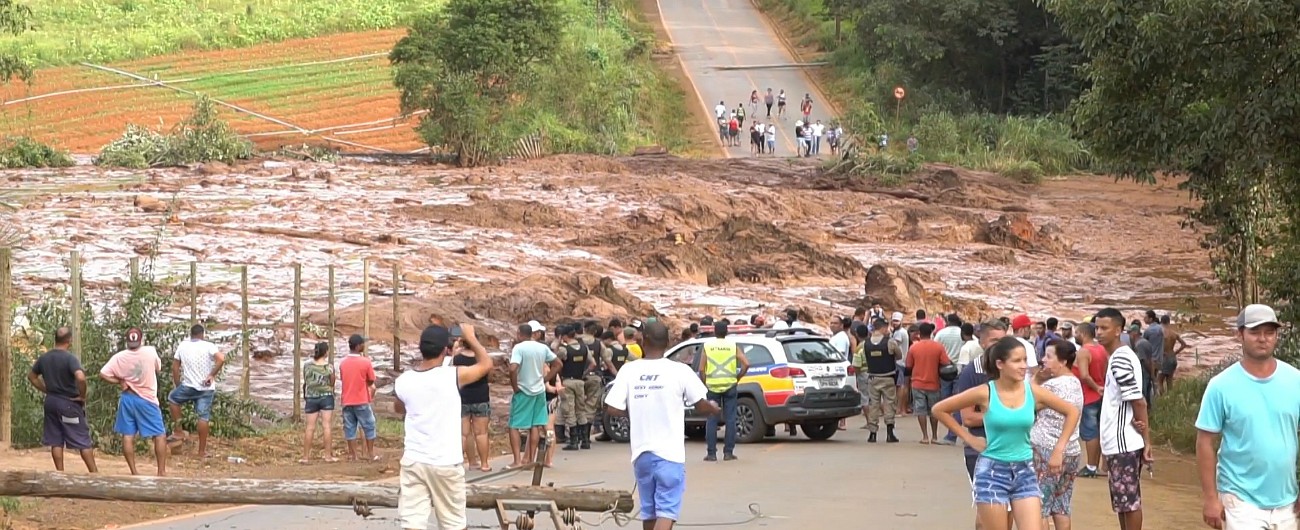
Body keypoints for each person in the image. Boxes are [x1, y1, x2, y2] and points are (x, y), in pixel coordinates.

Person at [932, 336, 1081, 530]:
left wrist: (1059, 449)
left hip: (1026, 470)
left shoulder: (1033, 392)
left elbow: (1072, 411)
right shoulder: (985, 392)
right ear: (1000, 364)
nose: (1024, 366)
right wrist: (969, 438)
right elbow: (939, 410)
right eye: (1017, 361)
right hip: (992, 471)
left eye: (1025, 360)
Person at [605, 321, 720, 530]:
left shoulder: (629, 371)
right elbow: (701, 404)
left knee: (649, 511)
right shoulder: (680, 371)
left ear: (643, 340)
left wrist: (635, 411)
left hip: (641, 455)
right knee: (667, 511)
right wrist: (713, 408)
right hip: (670, 455)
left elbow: (611, 407)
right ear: (668, 342)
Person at [1196, 304, 1299, 530]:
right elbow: (1205, 442)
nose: (1262, 339)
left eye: (1269, 332)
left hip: (1286, 500)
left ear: (1276, 336)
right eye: (1254, 332)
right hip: (1239, 500)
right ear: (1240, 334)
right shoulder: (1221, 386)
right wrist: (1211, 499)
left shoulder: (1295, 380)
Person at [394, 324, 493, 530]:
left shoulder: (404, 381)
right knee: (453, 523)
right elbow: (486, 364)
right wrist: (471, 338)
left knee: (412, 522)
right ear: (445, 349)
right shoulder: (453, 376)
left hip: (414, 460)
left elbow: (399, 407)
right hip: (445, 462)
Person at [1095, 307, 1152, 530]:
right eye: (1097, 328)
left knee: (1128, 502)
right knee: (1122, 503)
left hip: (1123, 442)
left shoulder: (1120, 359)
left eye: (1104, 328)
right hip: (1118, 442)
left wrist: (1147, 440)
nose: (1099, 332)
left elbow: (1139, 401)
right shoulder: (1119, 356)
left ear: (1118, 330)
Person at [27, 326, 97, 472]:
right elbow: (81, 378)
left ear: (55, 339)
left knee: (55, 440)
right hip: (69, 403)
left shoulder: (44, 358)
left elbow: (32, 376)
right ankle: (94, 474)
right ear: (69, 340)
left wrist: (45, 389)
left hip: (51, 402)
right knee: (82, 440)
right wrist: (82, 396)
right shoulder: (70, 358)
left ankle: (60, 473)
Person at [99, 327, 167, 476]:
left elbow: (103, 373)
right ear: (141, 339)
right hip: (147, 399)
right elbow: (158, 368)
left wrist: (119, 381)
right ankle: (161, 471)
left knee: (128, 435)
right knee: (159, 435)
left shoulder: (119, 357)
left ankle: (134, 472)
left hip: (127, 398)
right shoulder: (150, 351)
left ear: (127, 340)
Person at [1032, 340, 1083, 530]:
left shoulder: (1051, 386)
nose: (1043, 360)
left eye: (1048, 356)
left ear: (1062, 362)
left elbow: (1028, 404)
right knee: (1061, 506)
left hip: (1047, 449)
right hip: (1071, 451)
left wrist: (1036, 379)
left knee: (1039, 507)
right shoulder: (1075, 382)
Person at [167, 324, 225, 459]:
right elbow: (221, 359)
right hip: (206, 388)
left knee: (173, 399)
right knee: (203, 417)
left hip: (188, 386)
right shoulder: (209, 346)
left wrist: (177, 384)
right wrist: (211, 375)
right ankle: (201, 452)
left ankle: (178, 431)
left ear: (190, 334)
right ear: (202, 334)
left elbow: (175, 368)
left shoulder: (183, 346)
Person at [509, 322, 562, 468]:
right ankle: (532, 459)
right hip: (539, 391)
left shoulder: (519, 348)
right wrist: (544, 379)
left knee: (514, 426)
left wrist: (515, 386)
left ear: (520, 334)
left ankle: (517, 461)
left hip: (523, 390)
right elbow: (558, 364)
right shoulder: (542, 347)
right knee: (535, 426)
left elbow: (513, 368)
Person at [699, 322, 749, 461]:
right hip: (730, 385)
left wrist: (705, 383)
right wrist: (737, 378)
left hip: (712, 386)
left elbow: (701, 369)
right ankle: (728, 453)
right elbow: (746, 364)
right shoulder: (732, 346)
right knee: (731, 419)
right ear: (726, 332)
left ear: (714, 332)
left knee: (712, 419)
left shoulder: (708, 346)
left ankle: (711, 454)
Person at [905, 322, 951, 444]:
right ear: (931, 333)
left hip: (917, 383)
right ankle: (935, 436)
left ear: (919, 333)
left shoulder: (914, 347)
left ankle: (925, 436)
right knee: (933, 410)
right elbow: (946, 363)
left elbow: (908, 365)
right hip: (934, 383)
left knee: (920, 410)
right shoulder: (938, 347)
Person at [1073, 322, 1108, 478]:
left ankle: (1091, 467)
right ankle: (1098, 465)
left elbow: (1084, 375)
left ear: (1082, 333)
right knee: (1099, 431)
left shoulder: (1084, 351)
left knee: (1090, 433)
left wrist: (1095, 387)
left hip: (1090, 396)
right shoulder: (1101, 348)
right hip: (1102, 395)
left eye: (1076, 333)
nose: (1075, 336)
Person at [857, 318, 901, 443]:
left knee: (874, 405)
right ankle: (889, 433)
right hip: (888, 377)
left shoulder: (866, 343)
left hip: (872, 378)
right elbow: (899, 356)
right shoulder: (890, 342)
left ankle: (872, 434)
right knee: (889, 404)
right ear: (883, 327)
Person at [339, 334, 379, 461]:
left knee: (350, 427)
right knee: (369, 425)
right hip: (361, 399)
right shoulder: (365, 362)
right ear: (357, 347)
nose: (363, 346)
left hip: (346, 400)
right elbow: (371, 380)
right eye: (362, 344)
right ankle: (371, 454)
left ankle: (352, 455)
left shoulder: (343, 363)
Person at [301, 341, 338, 463]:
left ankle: (305, 457)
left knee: (310, 427)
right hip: (326, 397)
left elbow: (306, 379)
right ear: (326, 352)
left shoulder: (307, 365)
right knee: (326, 426)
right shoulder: (329, 367)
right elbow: (332, 383)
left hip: (311, 397)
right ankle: (328, 456)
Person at [1157, 314, 1188, 395]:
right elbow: (1184, 344)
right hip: (1172, 357)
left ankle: (1162, 399)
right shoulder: (1174, 333)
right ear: (1169, 322)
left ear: (1161, 322)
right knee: (1169, 381)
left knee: (1159, 381)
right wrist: (1175, 353)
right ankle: (1170, 399)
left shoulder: (1161, 333)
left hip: (1164, 358)